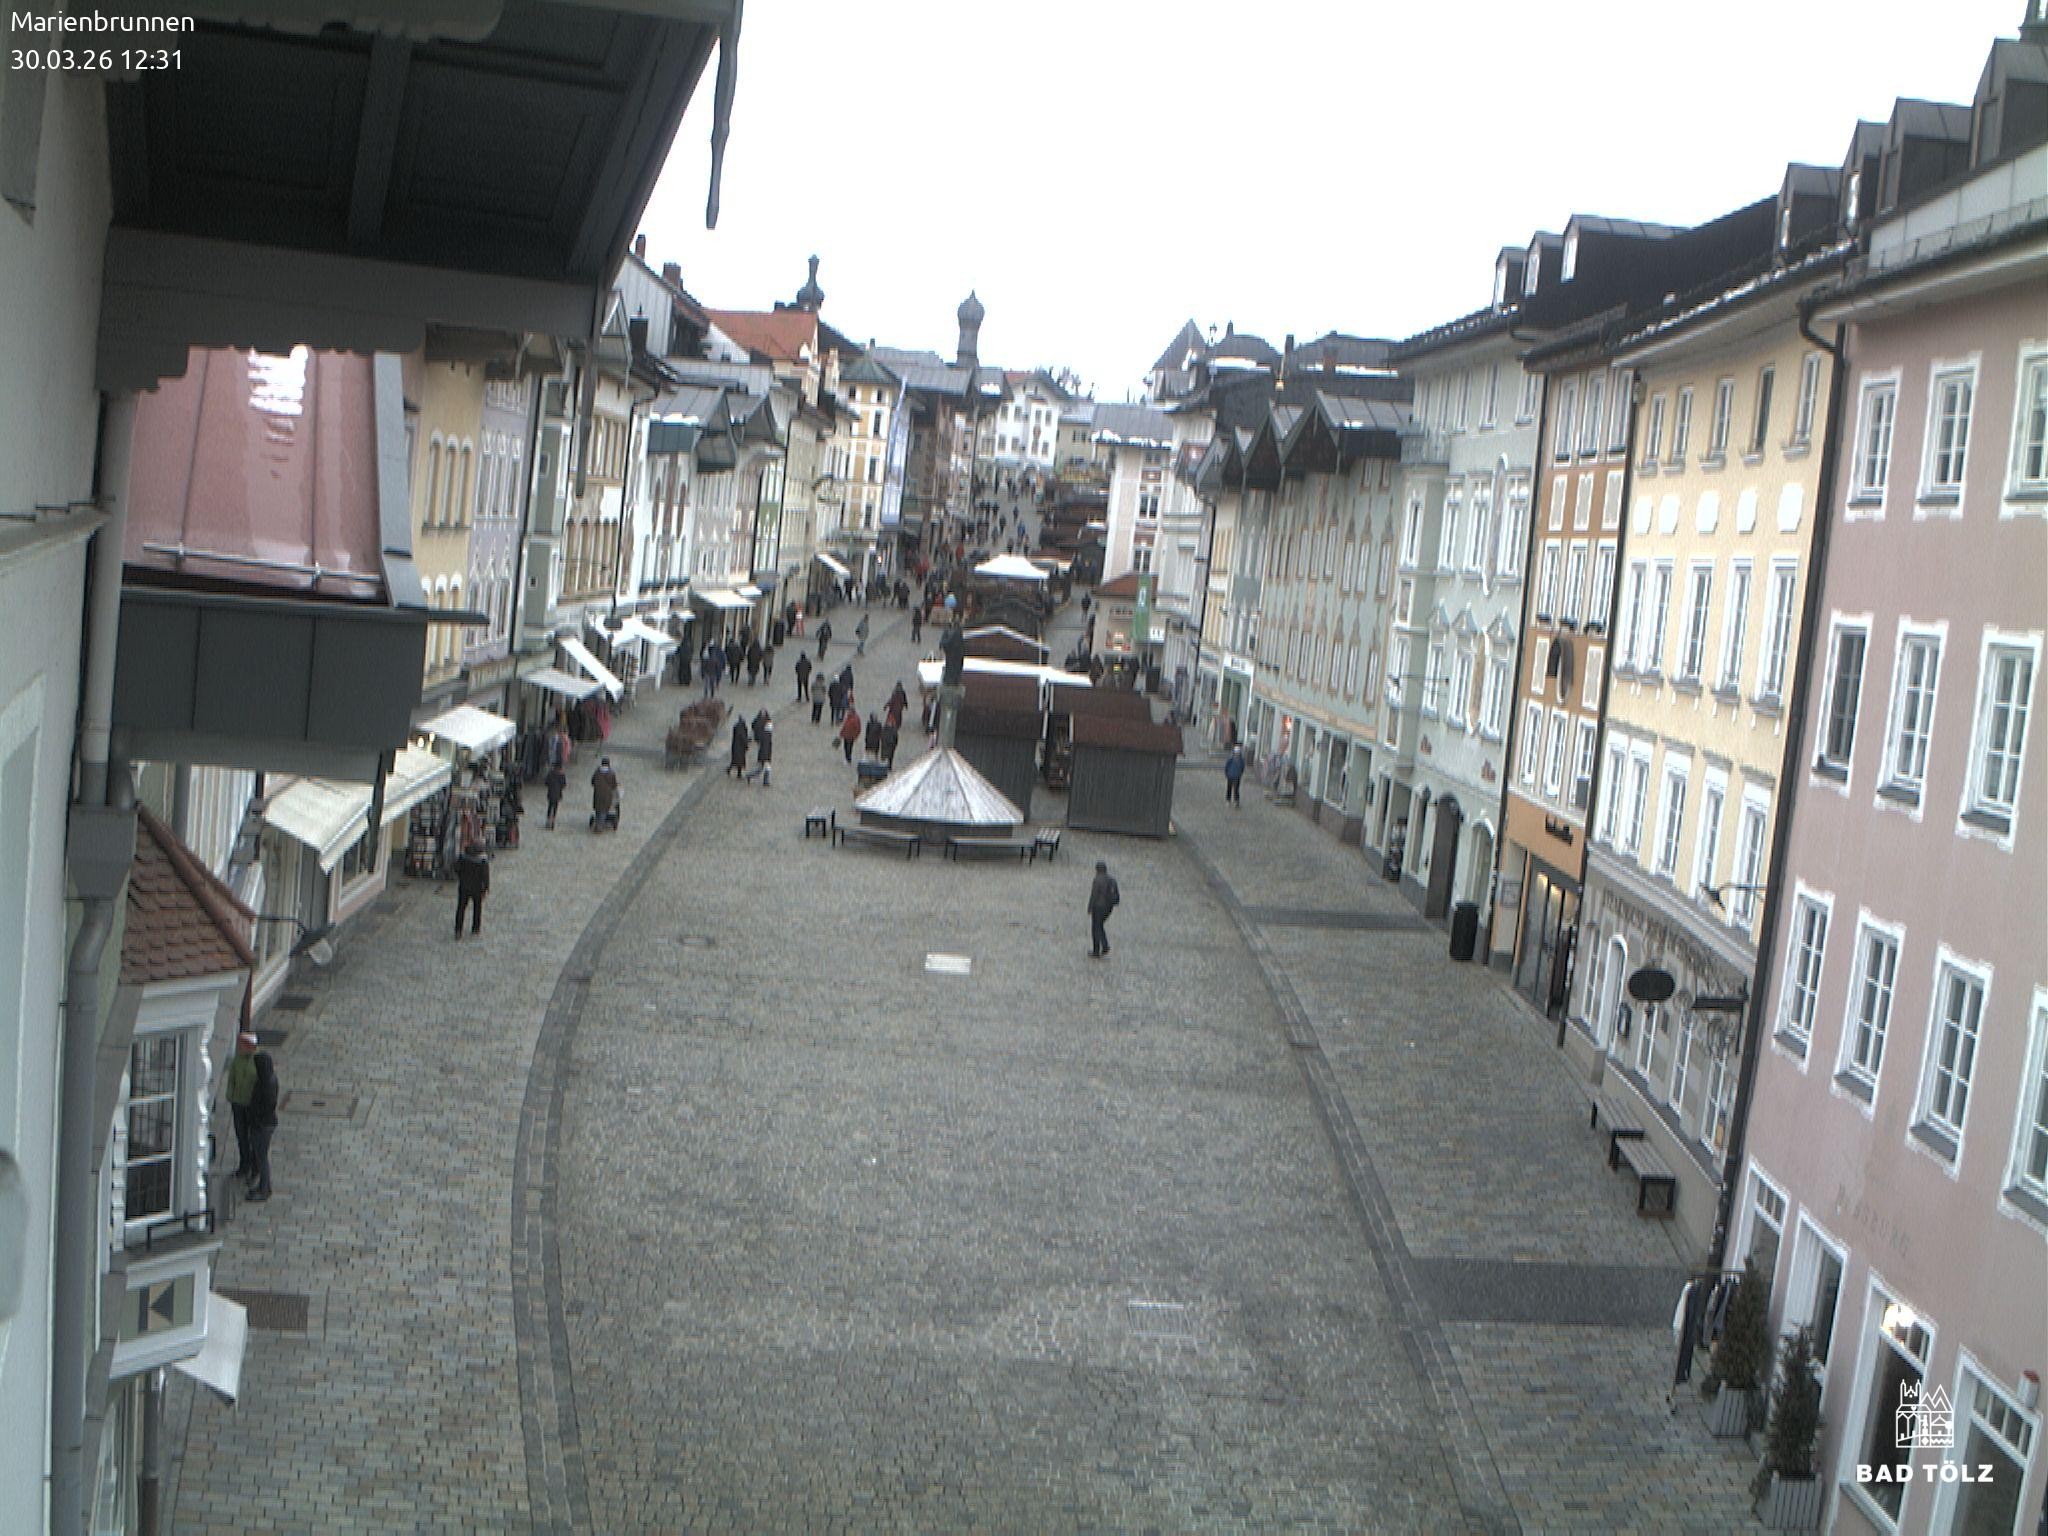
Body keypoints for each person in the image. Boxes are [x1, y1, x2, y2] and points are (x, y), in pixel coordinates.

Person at [246, 1051, 280, 1202]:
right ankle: (264, 1186)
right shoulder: (269, 1079)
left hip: (262, 1125)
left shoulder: (266, 1084)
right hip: (265, 1124)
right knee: (261, 1156)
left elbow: (264, 1106)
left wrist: (255, 1118)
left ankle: (264, 1189)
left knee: (262, 1157)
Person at [225, 1031, 258, 1180]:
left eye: (243, 1044)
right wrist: (230, 1096)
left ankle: (254, 1165)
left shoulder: (257, 1061)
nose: (240, 1047)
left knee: (252, 1137)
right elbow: (231, 1078)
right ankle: (244, 1164)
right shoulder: (237, 1060)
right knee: (241, 1135)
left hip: (251, 1105)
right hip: (238, 1103)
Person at [453, 840, 491, 937]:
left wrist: (461, 877)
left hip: (464, 886)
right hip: (477, 888)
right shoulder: (482, 860)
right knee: (477, 908)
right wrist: (486, 887)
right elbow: (485, 875)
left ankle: (458, 930)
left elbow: (456, 868)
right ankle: (475, 928)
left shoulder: (463, 857)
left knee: (461, 908)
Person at [1087, 860, 1120, 958]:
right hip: (1108, 907)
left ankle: (1098, 949)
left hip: (1098, 907)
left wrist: (1090, 907)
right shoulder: (1112, 879)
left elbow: (1094, 894)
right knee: (1100, 926)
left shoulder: (1097, 880)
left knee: (1095, 928)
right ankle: (1103, 946)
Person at [745, 710, 774, 786]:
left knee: (761, 768)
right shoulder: (766, 737)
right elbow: (766, 747)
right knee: (763, 768)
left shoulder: (765, 735)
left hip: (764, 753)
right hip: (765, 754)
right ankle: (763, 780)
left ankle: (751, 776)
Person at [590, 757, 620, 830]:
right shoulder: (611, 773)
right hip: (607, 795)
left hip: (597, 794)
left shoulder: (597, 772)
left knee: (598, 809)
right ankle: (599, 826)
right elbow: (614, 785)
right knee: (604, 810)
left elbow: (592, 782)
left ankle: (597, 823)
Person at [543, 761, 567, 829]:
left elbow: (546, 783)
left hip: (550, 793)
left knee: (550, 806)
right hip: (558, 794)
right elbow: (564, 785)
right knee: (555, 807)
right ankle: (553, 820)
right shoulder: (562, 775)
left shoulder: (550, 773)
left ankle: (548, 820)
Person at [727, 714, 750, 778]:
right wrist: (746, 745)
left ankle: (737, 773)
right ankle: (738, 773)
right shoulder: (742, 728)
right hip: (740, 747)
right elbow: (743, 738)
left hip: (735, 746)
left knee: (735, 760)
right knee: (739, 761)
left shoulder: (736, 726)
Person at [1224, 742, 1246, 807]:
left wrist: (1240, 774)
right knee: (1229, 788)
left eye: (1238, 752)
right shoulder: (1230, 758)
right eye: (1236, 752)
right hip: (1230, 776)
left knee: (1236, 789)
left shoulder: (1241, 759)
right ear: (1234, 752)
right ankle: (1228, 800)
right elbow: (1227, 766)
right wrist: (1227, 774)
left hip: (1237, 776)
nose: (1237, 753)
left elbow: (1242, 767)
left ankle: (1236, 801)